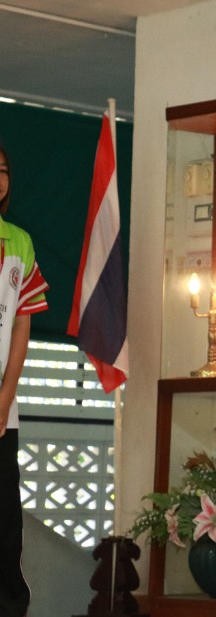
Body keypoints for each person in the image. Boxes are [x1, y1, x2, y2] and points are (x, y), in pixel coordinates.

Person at [0, 145, 49, 617]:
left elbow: (21, 321)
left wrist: (6, 395)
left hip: (1, 410)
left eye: (3, 170)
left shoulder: (19, 241)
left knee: (5, 527)